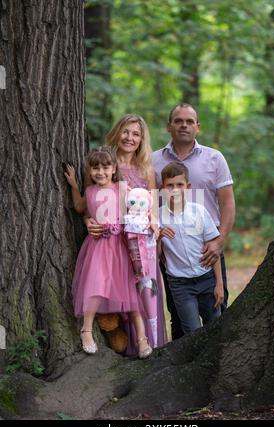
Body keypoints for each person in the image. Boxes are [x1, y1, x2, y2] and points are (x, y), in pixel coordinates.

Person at [66, 114, 167, 354]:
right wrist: (87, 221)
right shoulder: (102, 164)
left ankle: (150, 344)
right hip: (110, 242)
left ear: (142, 140)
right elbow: (91, 202)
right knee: (118, 288)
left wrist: (154, 223)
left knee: (142, 291)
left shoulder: (146, 169)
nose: (129, 138)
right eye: (126, 131)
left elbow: (153, 206)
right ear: (116, 132)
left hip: (140, 241)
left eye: (136, 134)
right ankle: (124, 349)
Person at [152, 103, 235, 340]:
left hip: (208, 247)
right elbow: (145, 201)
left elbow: (228, 204)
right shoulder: (153, 160)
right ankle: (183, 370)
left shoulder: (214, 158)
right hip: (172, 251)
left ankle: (218, 365)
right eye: (178, 120)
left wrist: (220, 242)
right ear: (169, 126)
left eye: (189, 121)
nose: (184, 125)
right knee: (179, 316)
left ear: (198, 127)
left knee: (217, 310)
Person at [158, 162, 224, 334]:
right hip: (180, 284)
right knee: (192, 331)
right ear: (163, 189)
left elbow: (213, 249)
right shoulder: (158, 216)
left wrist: (219, 284)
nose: (175, 189)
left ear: (188, 187)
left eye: (179, 185)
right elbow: (157, 256)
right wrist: (159, 237)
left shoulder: (199, 211)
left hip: (207, 279)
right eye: (169, 185)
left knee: (214, 327)